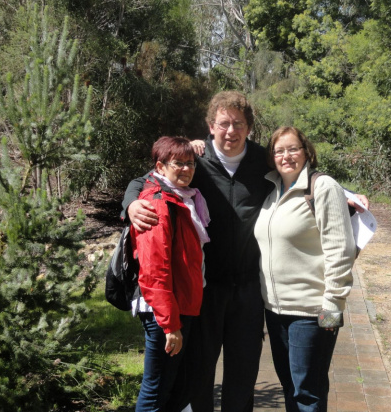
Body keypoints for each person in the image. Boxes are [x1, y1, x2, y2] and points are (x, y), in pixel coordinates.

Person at [122, 91, 368, 412]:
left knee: (243, 375)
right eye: (223, 123)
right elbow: (147, 179)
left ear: (249, 127)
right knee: (200, 373)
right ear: (211, 126)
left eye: (238, 123)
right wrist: (131, 203)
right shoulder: (196, 159)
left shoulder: (261, 160)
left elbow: (299, 175)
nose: (231, 131)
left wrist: (347, 195)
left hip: (250, 291)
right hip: (206, 291)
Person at [254, 126, 356, 412]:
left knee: (307, 393)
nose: (286, 156)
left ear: (306, 151)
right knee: (290, 387)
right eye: (279, 150)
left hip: (311, 313)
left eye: (293, 148)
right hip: (275, 311)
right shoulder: (272, 190)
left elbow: (341, 250)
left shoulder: (323, 187)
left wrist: (332, 307)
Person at [132, 136, 210, 412]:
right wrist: (170, 325)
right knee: (155, 392)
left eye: (190, 164)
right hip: (164, 312)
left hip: (179, 306)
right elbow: (154, 271)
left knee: (172, 389)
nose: (186, 169)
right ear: (160, 166)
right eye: (178, 163)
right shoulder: (158, 205)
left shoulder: (184, 199)